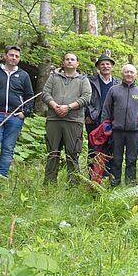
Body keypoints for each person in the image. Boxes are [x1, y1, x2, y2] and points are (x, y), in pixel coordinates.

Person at [0, 45, 34, 179]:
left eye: (17, 56)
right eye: (11, 55)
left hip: (15, 117)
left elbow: (29, 96)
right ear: (5, 56)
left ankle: (1, 177)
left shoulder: (23, 75)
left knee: (8, 148)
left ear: (19, 59)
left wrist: (25, 113)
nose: (14, 58)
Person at [41, 53, 92, 184]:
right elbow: (45, 93)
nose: (69, 61)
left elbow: (86, 98)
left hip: (74, 121)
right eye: (67, 59)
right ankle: (49, 184)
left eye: (72, 59)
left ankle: (73, 184)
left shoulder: (83, 80)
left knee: (73, 153)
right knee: (53, 152)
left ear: (77, 63)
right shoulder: (53, 77)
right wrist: (55, 106)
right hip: (54, 119)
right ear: (63, 62)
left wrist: (68, 107)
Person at [100, 64, 138, 186]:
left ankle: (130, 185)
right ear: (122, 74)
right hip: (116, 131)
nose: (129, 74)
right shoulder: (114, 90)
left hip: (134, 132)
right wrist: (105, 128)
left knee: (131, 160)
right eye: (127, 72)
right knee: (116, 159)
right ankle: (114, 184)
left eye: (132, 72)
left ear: (135, 75)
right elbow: (106, 110)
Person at [85, 53, 119, 169]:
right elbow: (84, 98)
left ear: (112, 66)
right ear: (98, 67)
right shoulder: (90, 81)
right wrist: (87, 115)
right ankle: (92, 174)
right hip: (94, 118)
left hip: (112, 120)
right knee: (93, 147)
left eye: (108, 64)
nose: (105, 66)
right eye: (102, 64)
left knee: (111, 147)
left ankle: (108, 174)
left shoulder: (118, 83)